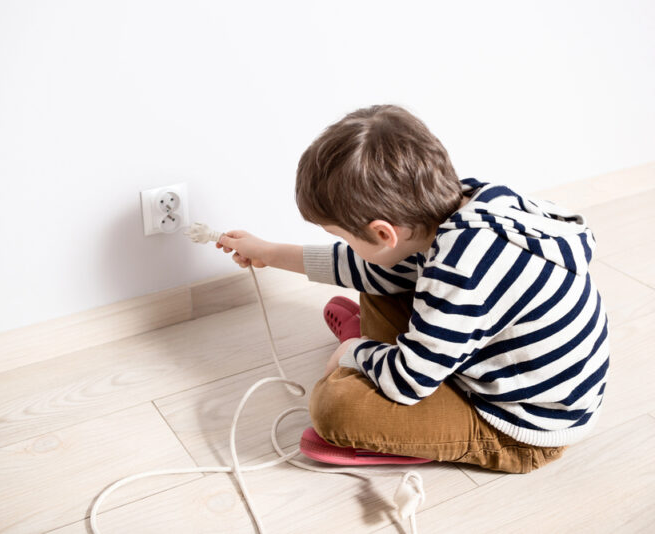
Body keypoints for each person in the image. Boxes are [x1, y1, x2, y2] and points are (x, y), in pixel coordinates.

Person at [215, 104, 608, 473]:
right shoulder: (461, 206)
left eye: (345, 237)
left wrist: (354, 352)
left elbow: (409, 382)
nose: (347, 245)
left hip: (518, 425)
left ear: (384, 232)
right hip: (487, 360)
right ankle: (383, 354)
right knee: (376, 277)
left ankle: (405, 426)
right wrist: (266, 251)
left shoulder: (460, 270)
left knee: (333, 406)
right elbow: (361, 265)